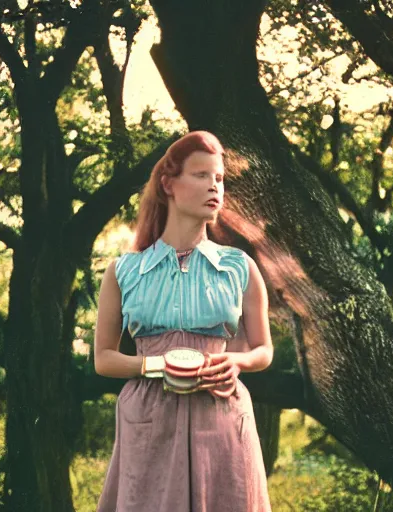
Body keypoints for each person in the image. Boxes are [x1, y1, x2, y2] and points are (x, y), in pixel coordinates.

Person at [94, 130, 273, 511]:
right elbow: (104, 359)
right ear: (169, 184)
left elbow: (263, 349)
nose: (215, 187)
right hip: (148, 421)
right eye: (202, 175)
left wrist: (237, 361)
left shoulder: (239, 268)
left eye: (220, 179)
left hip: (222, 417)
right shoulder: (124, 271)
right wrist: (158, 365)